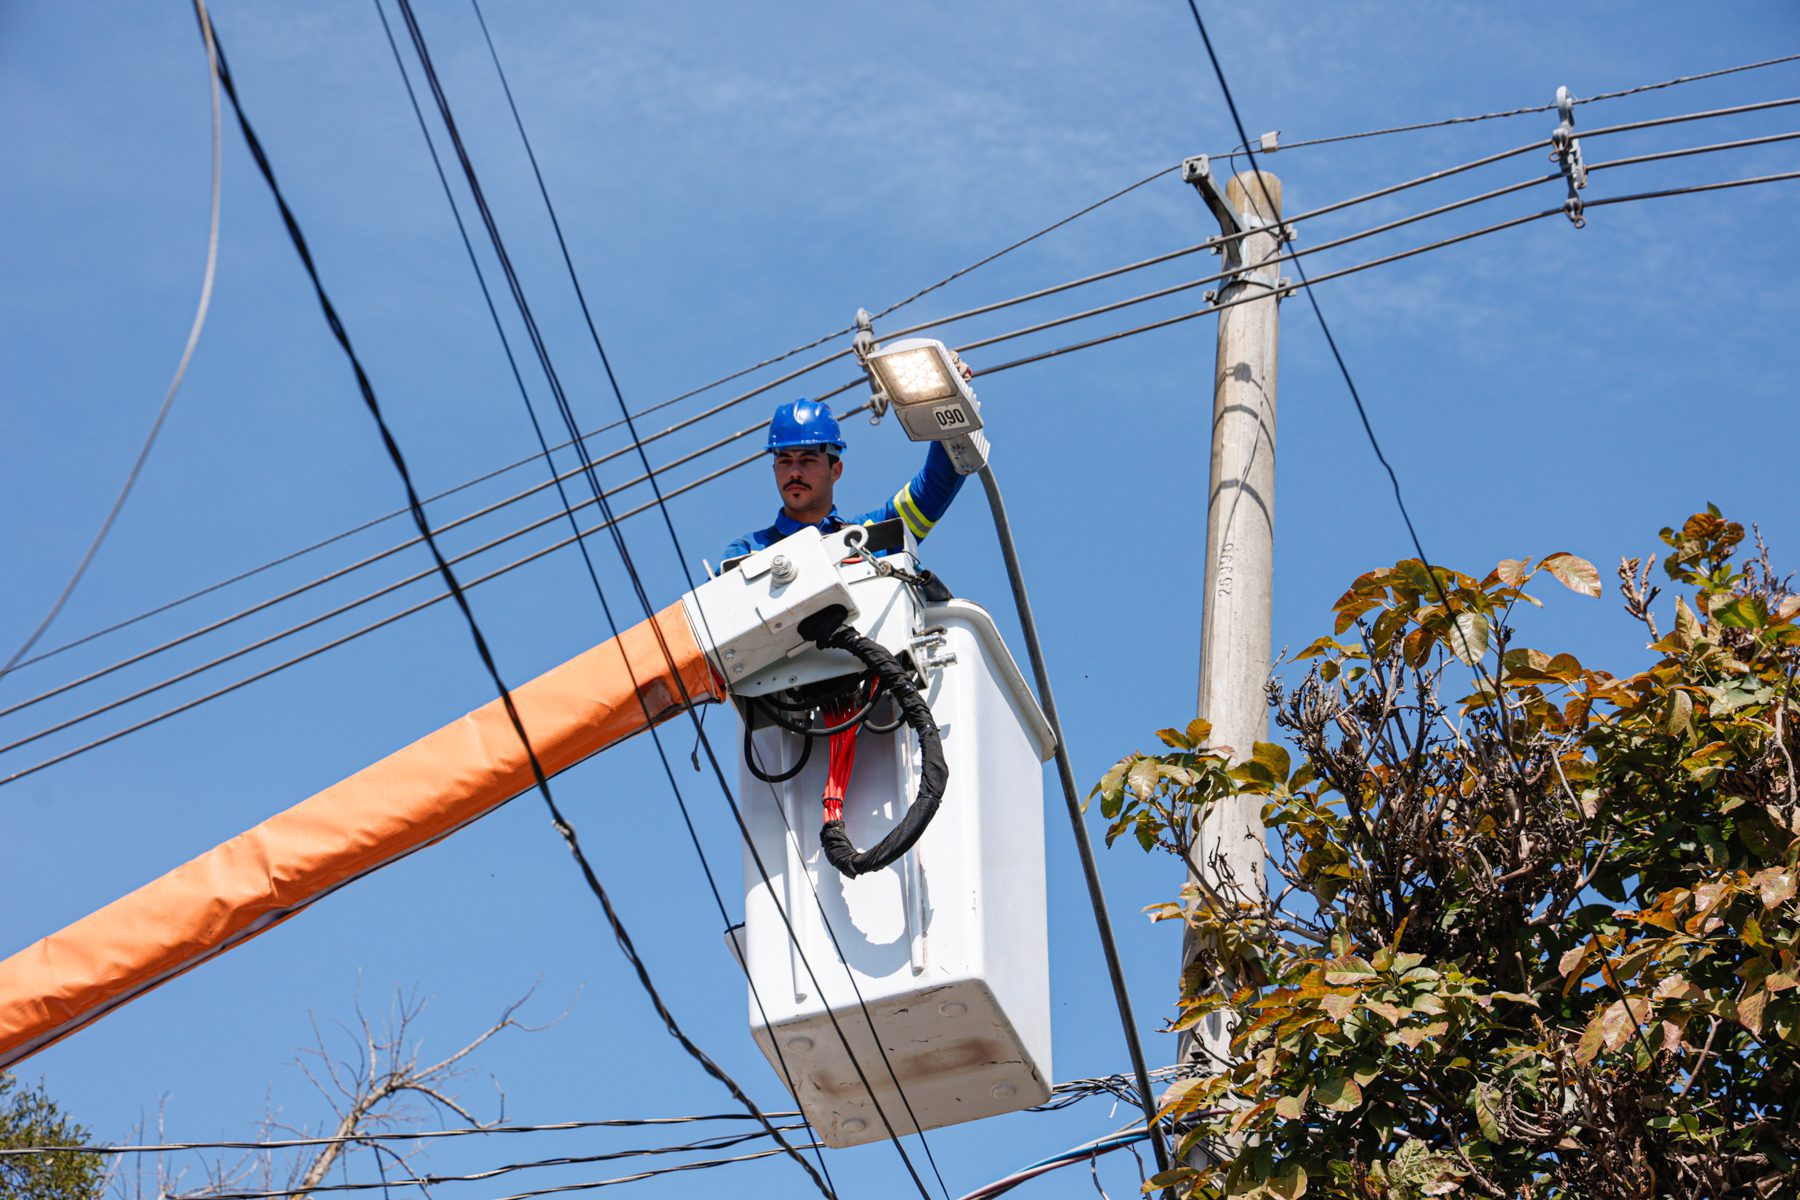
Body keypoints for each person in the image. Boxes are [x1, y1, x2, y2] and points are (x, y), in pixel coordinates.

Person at [720, 391, 969, 564]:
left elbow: (937, 484)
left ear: (836, 470)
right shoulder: (748, 551)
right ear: (774, 469)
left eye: (807, 460)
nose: (794, 472)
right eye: (785, 461)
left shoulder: (873, 535)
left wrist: (947, 401)